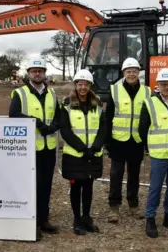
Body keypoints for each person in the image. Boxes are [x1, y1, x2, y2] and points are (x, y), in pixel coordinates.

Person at [8, 58, 60, 239]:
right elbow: (13, 115)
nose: (37, 73)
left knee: (46, 185)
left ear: (44, 73)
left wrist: (53, 126)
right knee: (32, 186)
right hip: (30, 149)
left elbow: (58, 115)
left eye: (40, 70)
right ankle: (33, 223)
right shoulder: (20, 93)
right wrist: (35, 122)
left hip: (48, 147)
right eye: (33, 71)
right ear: (28, 73)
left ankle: (44, 219)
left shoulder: (52, 93)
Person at [138, 68, 168, 238]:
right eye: (163, 84)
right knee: (155, 188)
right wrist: (151, 146)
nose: (166, 86)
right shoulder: (150, 103)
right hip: (159, 154)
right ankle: (150, 218)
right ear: (157, 85)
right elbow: (142, 129)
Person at [59, 69, 106, 235]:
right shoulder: (67, 104)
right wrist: (81, 148)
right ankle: (77, 220)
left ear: (90, 86)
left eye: (86, 84)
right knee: (76, 187)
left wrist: (95, 147)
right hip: (75, 155)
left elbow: (103, 127)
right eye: (80, 84)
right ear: (75, 85)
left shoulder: (98, 104)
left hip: (92, 154)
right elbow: (65, 129)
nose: (83, 87)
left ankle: (86, 217)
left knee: (88, 186)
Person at [106, 57, 151, 223]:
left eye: (134, 71)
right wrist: (108, 141)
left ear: (139, 73)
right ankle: (114, 207)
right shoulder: (114, 90)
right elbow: (108, 116)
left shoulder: (147, 92)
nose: (131, 74)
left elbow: (148, 118)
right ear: (123, 73)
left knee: (134, 175)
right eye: (128, 71)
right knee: (116, 174)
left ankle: (133, 205)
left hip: (136, 141)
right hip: (118, 141)